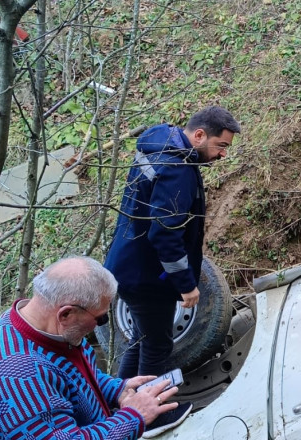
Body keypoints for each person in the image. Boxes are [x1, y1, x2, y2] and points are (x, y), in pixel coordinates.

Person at [0, 257, 189, 439]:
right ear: (65, 313)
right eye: (100, 319)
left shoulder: (51, 328)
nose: (101, 323)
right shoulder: (16, 375)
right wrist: (134, 415)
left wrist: (117, 389)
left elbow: (73, 377)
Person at [103, 106, 240, 379]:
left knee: (142, 340)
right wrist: (186, 285)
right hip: (146, 276)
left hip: (128, 264)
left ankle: (123, 402)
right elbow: (165, 233)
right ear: (199, 135)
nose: (223, 154)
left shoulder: (161, 145)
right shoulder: (176, 167)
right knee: (157, 346)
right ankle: (146, 415)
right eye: (221, 145)